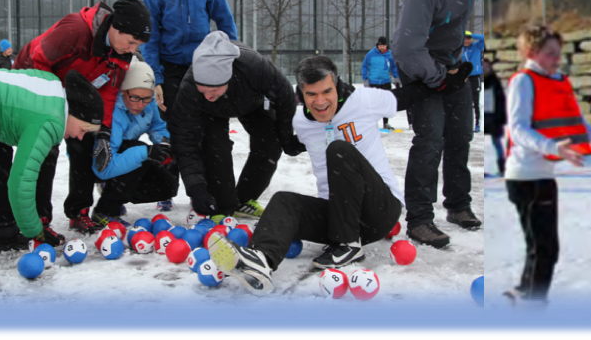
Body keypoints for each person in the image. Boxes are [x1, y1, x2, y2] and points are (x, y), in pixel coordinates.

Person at [205, 55, 470, 295]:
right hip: (337, 216)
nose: (320, 102)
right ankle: (260, 261)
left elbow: (409, 95)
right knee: (284, 200)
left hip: (379, 210)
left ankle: (348, 245)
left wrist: (447, 81)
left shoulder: (364, 100)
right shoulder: (301, 122)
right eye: (311, 94)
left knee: (339, 150)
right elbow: (288, 144)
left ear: (337, 85)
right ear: (302, 94)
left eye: (326, 92)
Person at [14, 0, 152, 235]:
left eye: (136, 45)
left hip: (77, 91)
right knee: (46, 147)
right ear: (115, 28)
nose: (132, 50)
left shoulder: (122, 54)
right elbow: (39, 62)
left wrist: (105, 133)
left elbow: (108, 92)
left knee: (86, 144)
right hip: (36, 82)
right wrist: (56, 110)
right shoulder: (75, 30)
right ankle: (40, 217)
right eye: (131, 42)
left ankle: (79, 211)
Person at [0, 67, 104, 254]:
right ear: (75, 114)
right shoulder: (50, 122)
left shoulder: (52, 87)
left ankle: (2, 233)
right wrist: (37, 232)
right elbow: (21, 183)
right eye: (83, 130)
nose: (79, 137)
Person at [391, 0, 483, 248]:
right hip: (419, 65)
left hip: (450, 64)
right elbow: (406, 47)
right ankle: (419, 219)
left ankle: (458, 205)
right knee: (430, 138)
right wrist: (440, 78)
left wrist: (454, 69)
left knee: (460, 135)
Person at [503, 26, 591, 306]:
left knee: (543, 248)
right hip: (524, 177)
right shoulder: (524, 81)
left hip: (543, 175)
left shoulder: (555, 81)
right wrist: (556, 148)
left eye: (559, 54)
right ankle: (530, 303)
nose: (557, 59)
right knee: (543, 248)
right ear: (531, 52)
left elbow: (578, 126)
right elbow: (517, 130)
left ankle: (525, 296)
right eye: (550, 54)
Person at [168, 31, 299, 219]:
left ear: (227, 78)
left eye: (213, 90)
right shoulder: (191, 88)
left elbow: (285, 97)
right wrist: (196, 189)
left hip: (251, 101)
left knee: (270, 145)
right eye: (202, 90)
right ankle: (224, 204)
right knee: (216, 149)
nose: (207, 95)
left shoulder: (254, 66)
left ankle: (244, 199)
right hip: (211, 112)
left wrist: (286, 139)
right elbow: (184, 139)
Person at [141, 0, 238, 120]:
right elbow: (150, 37)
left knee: (209, 115)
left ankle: (211, 145)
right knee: (173, 118)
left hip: (204, 60)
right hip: (170, 64)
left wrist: (230, 56)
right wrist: (156, 79)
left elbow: (224, 20)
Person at [91, 58, 179, 226]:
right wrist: (146, 152)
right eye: (135, 97)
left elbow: (156, 125)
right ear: (123, 91)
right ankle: (105, 210)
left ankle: (115, 191)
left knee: (167, 186)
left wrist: (165, 143)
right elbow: (103, 167)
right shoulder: (112, 113)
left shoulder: (147, 101)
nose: (140, 105)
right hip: (96, 162)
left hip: (124, 154)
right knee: (138, 150)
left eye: (147, 98)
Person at [361, 36, 400, 131]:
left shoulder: (390, 55)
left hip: (385, 82)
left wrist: (396, 78)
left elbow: (394, 67)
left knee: (385, 103)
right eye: (380, 46)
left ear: (386, 46)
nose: (382, 47)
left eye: (384, 46)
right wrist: (365, 79)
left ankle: (386, 123)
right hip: (373, 82)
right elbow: (364, 66)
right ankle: (373, 123)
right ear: (377, 45)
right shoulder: (371, 54)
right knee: (374, 103)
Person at [484, 58, 506, 176]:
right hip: (480, 117)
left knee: (497, 143)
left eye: (487, 66)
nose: (485, 69)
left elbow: (501, 100)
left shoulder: (495, 82)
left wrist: (502, 117)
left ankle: (502, 167)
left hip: (493, 117)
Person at [464, 31, 485, 132]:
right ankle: (465, 124)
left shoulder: (477, 46)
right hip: (463, 78)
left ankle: (477, 124)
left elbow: (483, 38)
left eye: (468, 38)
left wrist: (471, 35)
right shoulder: (460, 49)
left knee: (475, 102)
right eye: (465, 38)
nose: (466, 40)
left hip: (475, 77)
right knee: (463, 102)